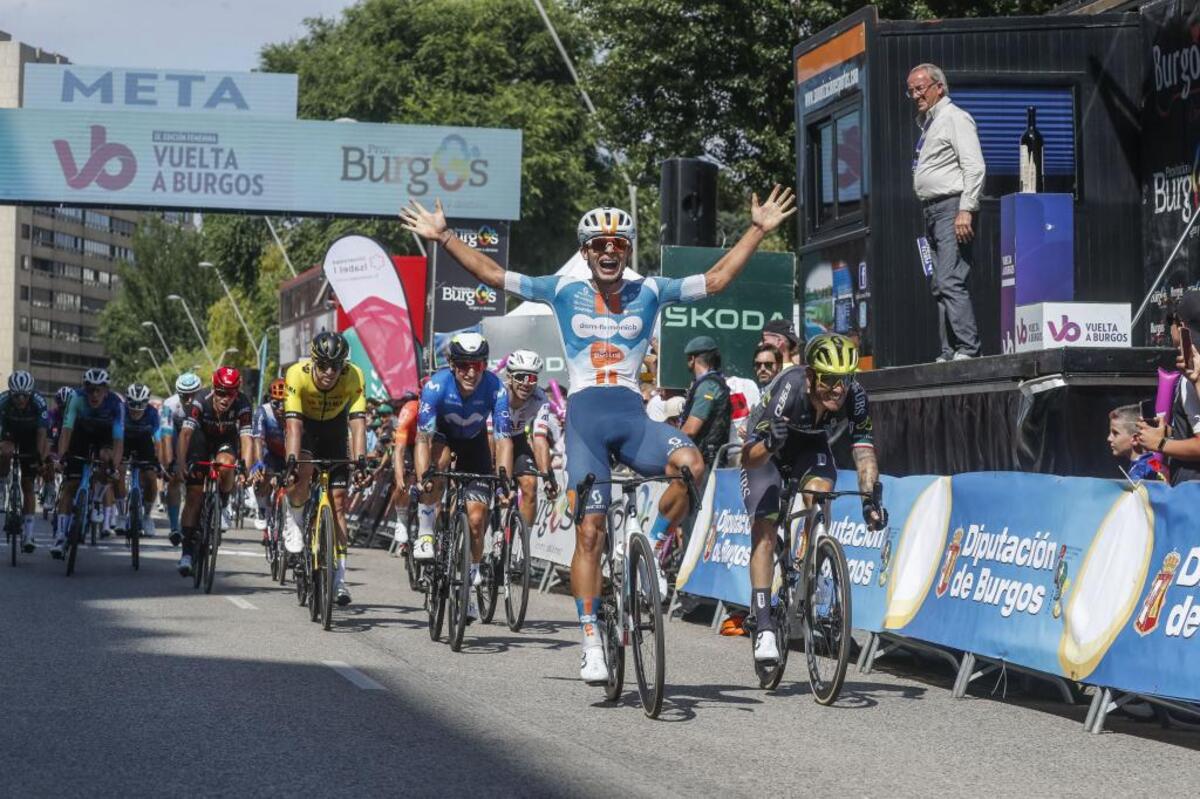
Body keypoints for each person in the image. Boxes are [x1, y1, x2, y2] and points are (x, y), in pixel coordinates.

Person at [402, 185, 796, 684]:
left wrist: (758, 229)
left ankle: (653, 543)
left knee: (691, 463)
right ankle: (590, 637)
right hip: (586, 417)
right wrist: (445, 237)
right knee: (589, 530)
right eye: (598, 245)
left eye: (619, 245)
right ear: (585, 252)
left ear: (628, 250)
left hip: (632, 416)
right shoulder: (561, 290)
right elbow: (494, 275)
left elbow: (716, 280)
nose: (609, 252)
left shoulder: (650, 291)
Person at [740, 333, 885, 662]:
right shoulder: (790, 388)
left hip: (809, 446)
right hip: (768, 450)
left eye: (844, 379)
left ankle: (814, 564)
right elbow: (748, 458)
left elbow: (863, 451)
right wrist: (769, 444)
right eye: (830, 379)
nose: (838, 388)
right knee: (765, 527)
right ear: (810, 376)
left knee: (820, 494)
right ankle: (764, 626)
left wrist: (869, 500)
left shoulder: (854, 396)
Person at [411, 333, 511, 622]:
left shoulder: (496, 389)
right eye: (464, 365)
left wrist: (503, 476)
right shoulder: (435, 386)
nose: (470, 372)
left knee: (478, 520)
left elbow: (504, 441)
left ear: (485, 366)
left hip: (475, 442)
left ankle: (470, 578)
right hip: (442, 436)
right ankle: (427, 531)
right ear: (452, 365)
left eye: (478, 366)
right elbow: (422, 439)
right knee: (437, 465)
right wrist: (423, 476)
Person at [282, 332, 371, 606]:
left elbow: (357, 424)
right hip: (306, 429)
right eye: (324, 365)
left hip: (334, 431)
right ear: (313, 361)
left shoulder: (353, 375)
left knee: (339, 504)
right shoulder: (297, 374)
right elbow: (294, 426)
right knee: (304, 471)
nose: (330, 372)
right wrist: (292, 461)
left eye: (336, 365)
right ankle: (295, 519)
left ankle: (340, 579)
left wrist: (360, 462)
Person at [908, 62, 984, 362]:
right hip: (933, 210)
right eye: (911, 90)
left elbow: (975, 166)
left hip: (951, 206)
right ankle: (949, 350)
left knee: (950, 279)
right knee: (939, 282)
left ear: (939, 87)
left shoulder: (955, 117)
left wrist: (966, 209)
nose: (915, 94)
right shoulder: (929, 122)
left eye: (920, 88)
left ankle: (969, 348)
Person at [174, 367, 254, 577]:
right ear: (213, 388)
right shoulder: (200, 399)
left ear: (237, 392)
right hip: (200, 439)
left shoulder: (244, 403)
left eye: (230, 393)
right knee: (194, 495)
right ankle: (187, 552)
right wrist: (181, 463)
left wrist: (245, 466)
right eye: (220, 392)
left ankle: (223, 504)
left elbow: (246, 438)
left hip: (225, 441)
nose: (225, 398)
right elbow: (185, 434)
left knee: (227, 464)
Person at [51, 369, 123, 558]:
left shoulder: (116, 403)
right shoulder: (76, 398)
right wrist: (60, 458)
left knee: (106, 458)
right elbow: (66, 431)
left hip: (104, 436)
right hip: (80, 434)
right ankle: (60, 536)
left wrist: (114, 468)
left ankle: (97, 498)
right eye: (90, 390)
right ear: (85, 389)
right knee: (69, 486)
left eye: (99, 390)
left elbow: (118, 442)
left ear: (106, 390)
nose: (94, 394)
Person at [1137, 291, 1200, 484]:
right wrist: (1171, 433)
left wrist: (1161, 443)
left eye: (1170, 321)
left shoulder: (1191, 375)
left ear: (1181, 326)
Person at [500, 350, 558, 531]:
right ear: (509, 377)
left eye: (532, 378)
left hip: (517, 441)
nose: (526, 384)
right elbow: (491, 438)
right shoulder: (498, 394)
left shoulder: (540, 398)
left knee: (530, 485)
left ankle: (522, 544)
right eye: (521, 377)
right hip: (492, 441)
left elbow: (539, 439)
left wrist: (547, 476)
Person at [0, 371, 50, 552]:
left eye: (24, 395)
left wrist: (39, 458)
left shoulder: (39, 403)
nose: (21, 399)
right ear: (11, 393)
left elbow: (42, 434)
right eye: (17, 395)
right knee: (5, 452)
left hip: (31, 435)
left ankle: (29, 535)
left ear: (30, 393)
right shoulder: (3, 401)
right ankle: (2, 483)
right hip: (9, 431)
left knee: (27, 485)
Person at [160, 372, 202, 544]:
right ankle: (174, 527)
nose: (189, 399)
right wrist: (171, 463)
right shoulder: (169, 405)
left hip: (197, 440)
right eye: (185, 395)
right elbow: (167, 435)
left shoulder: (204, 402)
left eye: (193, 394)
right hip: (178, 440)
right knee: (175, 480)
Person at [679, 336, 732, 474]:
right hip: (707, 459)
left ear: (692, 359)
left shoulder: (708, 386)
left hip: (706, 462)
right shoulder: (711, 382)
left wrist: (670, 444)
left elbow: (690, 429)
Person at [120, 383, 160, 537]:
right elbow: (114, 435)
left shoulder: (152, 413)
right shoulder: (121, 409)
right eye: (133, 404)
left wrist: (158, 459)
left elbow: (158, 439)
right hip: (124, 441)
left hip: (144, 442)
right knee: (120, 471)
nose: (136, 408)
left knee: (151, 478)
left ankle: (147, 516)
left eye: (140, 404)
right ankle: (121, 515)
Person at [251, 378, 288, 536]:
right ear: (269, 401)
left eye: (284, 403)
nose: (280, 408)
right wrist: (258, 464)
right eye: (276, 404)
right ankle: (261, 507)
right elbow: (258, 440)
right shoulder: (263, 412)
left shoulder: (296, 412)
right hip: (270, 453)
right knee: (262, 475)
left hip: (289, 455)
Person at [390, 389, 420, 549]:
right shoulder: (410, 408)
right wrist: (399, 476)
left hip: (428, 441)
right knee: (403, 482)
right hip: (409, 442)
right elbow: (399, 450)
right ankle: (401, 519)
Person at [1108, 405, 1165, 482]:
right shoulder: (1152, 462)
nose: (1109, 438)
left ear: (1135, 439)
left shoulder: (1141, 470)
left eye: (1115, 433)